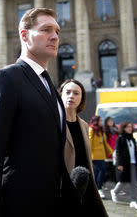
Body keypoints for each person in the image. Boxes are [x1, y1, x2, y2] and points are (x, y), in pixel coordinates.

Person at [0, 8, 74, 216]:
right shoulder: (6, 79)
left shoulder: (51, 88)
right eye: (46, 30)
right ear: (24, 35)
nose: (55, 36)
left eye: (57, 31)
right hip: (18, 206)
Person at [59, 79, 108, 216]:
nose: (71, 96)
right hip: (66, 188)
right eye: (67, 92)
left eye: (76, 93)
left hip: (86, 185)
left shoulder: (85, 125)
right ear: (60, 95)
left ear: (81, 99)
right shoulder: (54, 123)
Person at [110, 121, 137, 210]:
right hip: (124, 164)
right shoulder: (120, 138)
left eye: (130, 127)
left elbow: (135, 152)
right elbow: (118, 152)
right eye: (127, 127)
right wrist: (120, 164)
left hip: (133, 163)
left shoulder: (132, 138)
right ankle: (114, 192)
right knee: (123, 182)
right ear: (123, 128)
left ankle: (133, 201)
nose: (130, 128)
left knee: (134, 182)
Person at [88, 115, 112, 199]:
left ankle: (96, 188)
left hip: (101, 155)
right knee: (102, 170)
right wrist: (89, 155)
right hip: (94, 156)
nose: (102, 122)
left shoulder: (101, 131)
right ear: (96, 121)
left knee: (97, 172)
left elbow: (105, 143)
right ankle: (99, 188)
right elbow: (89, 143)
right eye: (100, 121)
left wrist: (111, 151)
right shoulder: (91, 130)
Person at [104, 117, 118, 183]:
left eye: (112, 121)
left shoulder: (116, 131)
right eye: (109, 121)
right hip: (108, 152)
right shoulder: (105, 131)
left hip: (115, 152)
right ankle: (103, 183)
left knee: (115, 169)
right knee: (107, 169)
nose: (111, 122)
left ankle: (116, 184)